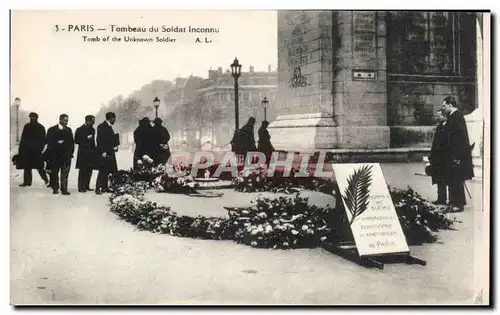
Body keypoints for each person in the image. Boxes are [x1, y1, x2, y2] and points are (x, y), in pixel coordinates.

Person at [441, 96, 474, 212]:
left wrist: (457, 156)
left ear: (450, 105)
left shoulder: (456, 116)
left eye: (444, 106)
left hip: (456, 155)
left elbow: (459, 139)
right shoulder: (453, 116)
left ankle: (458, 204)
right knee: (452, 178)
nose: (443, 108)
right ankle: (453, 202)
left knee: (456, 179)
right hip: (453, 154)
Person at [17, 112, 49, 187]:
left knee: (39, 167)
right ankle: (27, 182)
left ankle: (46, 179)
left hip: (36, 151)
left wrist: (40, 149)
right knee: (27, 167)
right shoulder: (26, 126)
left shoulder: (41, 127)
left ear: (36, 118)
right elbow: (23, 138)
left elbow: (43, 140)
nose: (32, 118)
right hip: (27, 150)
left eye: (34, 117)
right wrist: (21, 149)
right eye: (31, 117)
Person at [45, 114, 75, 195]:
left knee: (65, 174)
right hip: (55, 156)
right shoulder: (51, 130)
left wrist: (71, 153)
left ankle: (64, 189)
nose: (66, 122)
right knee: (55, 172)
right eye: (65, 120)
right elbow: (48, 142)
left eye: (67, 120)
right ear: (60, 120)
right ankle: (55, 188)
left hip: (66, 156)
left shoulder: (69, 130)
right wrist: (57, 143)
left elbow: (72, 143)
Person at [427, 110, 448, 205]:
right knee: (439, 180)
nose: (437, 118)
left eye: (439, 116)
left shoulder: (449, 127)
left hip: (445, 158)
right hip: (438, 158)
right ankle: (441, 199)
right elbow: (435, 144)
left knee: (446, 179)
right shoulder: (439, 127)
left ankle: (447, 199)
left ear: (444, 116)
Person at [95, 112, 119, 195]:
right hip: (105, 152)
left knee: (107, 169)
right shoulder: (102, 126)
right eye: (114, 119)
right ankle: (98, 188)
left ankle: (105, 187)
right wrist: (103, 151)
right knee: (102, 170)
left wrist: (115, 146)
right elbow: (100, 140)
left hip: (109, 151)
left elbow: (110, 140)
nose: (115, 120)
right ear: (111, 118)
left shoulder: (108, 127)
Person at [75, 115, 97, 192]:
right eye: (93, 121)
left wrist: (95, 151)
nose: (94, 122)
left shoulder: (93, 130)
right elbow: (76, 140)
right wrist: (86, 138)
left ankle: (87, 186)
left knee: (89, 170)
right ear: (88, 121)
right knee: (82, 171)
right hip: (83, 154)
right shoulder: (79, 129)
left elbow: (93, 141)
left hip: (91, 153)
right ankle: (80, 187)